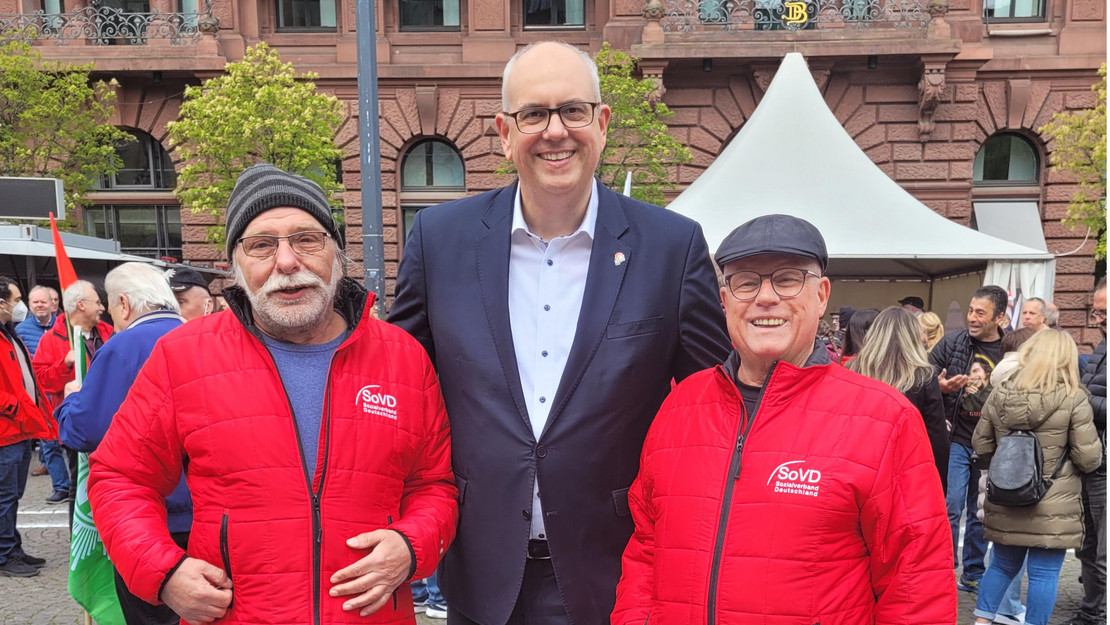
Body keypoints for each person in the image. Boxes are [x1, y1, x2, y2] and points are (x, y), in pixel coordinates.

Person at [389, 41, 730, 625]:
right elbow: (399, 387)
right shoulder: (439, 240)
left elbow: (716, 404)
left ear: (601, 123)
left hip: (613, 569)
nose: (555, 131)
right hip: (479, 567)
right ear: (503, 130)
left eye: (573, 111)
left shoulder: (672, 247)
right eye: (534, 114)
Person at [88, 163, 458, 625]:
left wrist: (411, 544)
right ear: (236, 265)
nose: (287, 262)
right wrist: (164, 572)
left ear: (336, 254)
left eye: (307, 239)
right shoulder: (182, 356)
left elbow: (435, 486)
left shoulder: (403, 357)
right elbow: (120, 477)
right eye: (261, 245)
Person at [610, 215, 955, 624]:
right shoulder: (681, 404)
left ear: (821, 294)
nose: (765, 297)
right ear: (724, 299)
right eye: (746, 282)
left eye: (788, 279)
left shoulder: (884, 418)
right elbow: (646, 546)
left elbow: (917, 584)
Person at [54, 263, 190, 625]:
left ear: (125, 304)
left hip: (148, 516)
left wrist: (70, 399)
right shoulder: (197, 336)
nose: (111, 317)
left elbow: (86, 431)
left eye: (111, 307)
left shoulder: (124, 345)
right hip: (203, 511)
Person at [971, 329, 1102, 625]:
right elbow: (1089, 458)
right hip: (1054, 503)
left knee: (1002, 565)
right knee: (1044, 574)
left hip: (1005, 496)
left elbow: (981, 445)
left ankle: (981, 622)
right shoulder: (1074, 398)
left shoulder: (1000, 392)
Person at [929, 284, 1007, 592]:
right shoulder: (951, 343)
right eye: (970, 310)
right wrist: (941, 388)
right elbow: (921, 379)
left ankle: (974, 572)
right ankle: (943, 569)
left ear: (999, 317)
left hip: (993, 443)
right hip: (957, 437)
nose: (972, 318)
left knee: (981, 512)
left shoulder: (1010, 349)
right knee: (951, 506)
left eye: (980, 313)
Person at [846, 306, 949, 490]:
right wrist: (937, 486)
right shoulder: (923, 377)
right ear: (913, 337)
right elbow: (936, 437)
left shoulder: (853, 370)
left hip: (858, 467)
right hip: (906, 473)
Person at [31, 280, 113, 505]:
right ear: (81, 305)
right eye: (97, 302)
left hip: (109, 420)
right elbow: (43, 382)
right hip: (76, 422)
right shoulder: (52, 339)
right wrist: (64, 364)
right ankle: (79, 539)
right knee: (79, 487)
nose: (102, 308)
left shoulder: (109, 333)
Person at [0, 277, 55, 578]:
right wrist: (17, 409)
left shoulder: (9, 333)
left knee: (12, 495)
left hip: (18, 429)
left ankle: (12, 547)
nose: (19, 305)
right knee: (5, 496)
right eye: (16, 298)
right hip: (7, 431)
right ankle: (5, 554)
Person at [1070, 277, 1106, 625]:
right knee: (1088, 544)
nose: (1099, 320)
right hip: (1093, 461)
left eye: (1105, 313)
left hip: (1104, 467)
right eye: (1096, 313)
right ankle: (1092, 610)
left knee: (1102, 549)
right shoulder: (1101, 347)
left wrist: (1082, 399)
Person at [15, 285, 67, 484]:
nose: (40, 305)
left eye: (43, 301)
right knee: (48, 440)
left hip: (63, 390)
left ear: (53, 304)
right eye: (35, 302)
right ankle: (61, 486)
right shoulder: (21, 329)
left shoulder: (64, 327)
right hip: (39, 394)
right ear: (29, 305)